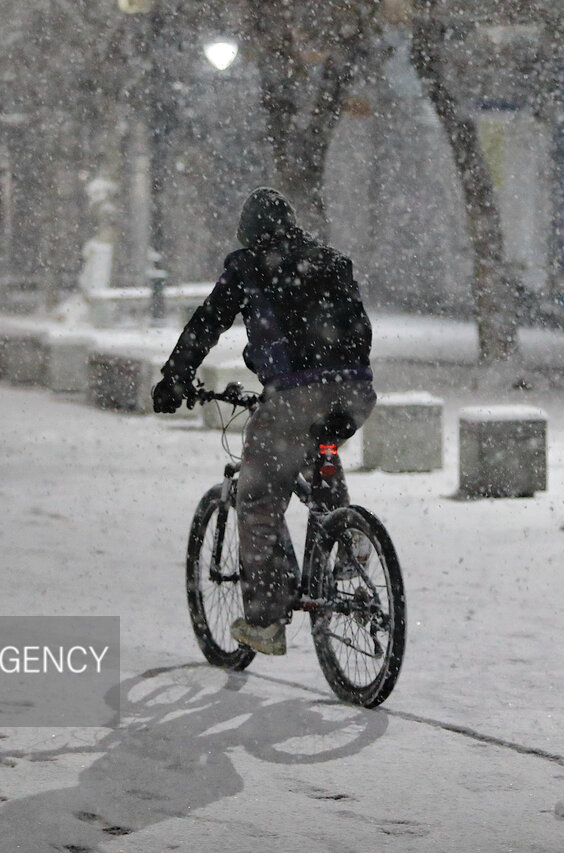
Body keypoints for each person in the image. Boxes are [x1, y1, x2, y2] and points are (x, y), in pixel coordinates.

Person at [152, 187, 375, 656]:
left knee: (256, 499)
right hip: (355, 389)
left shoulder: (250, 265)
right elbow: (357, 328)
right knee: (318, 453)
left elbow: (207, 323)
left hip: (296, 393)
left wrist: (176, 378)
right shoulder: (331, 260)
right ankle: (349, 536)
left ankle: (266, 620)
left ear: (248, 234)